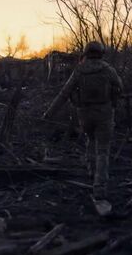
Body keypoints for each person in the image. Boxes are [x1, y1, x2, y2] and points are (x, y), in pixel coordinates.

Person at [43, 41, 123, 206]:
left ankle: (91, 171)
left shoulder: (79, 70)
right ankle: (99, 188)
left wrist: (48, 113)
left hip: (85, 114)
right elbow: (120, 86)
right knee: (102, 150)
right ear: (101, 52)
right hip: (105, 114)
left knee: (90, 140)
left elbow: (64, 93)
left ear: (86, 53)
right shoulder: (108, 70)